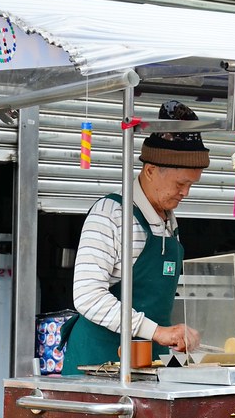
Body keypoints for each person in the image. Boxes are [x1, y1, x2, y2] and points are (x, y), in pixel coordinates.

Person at [61, 100, 205, 374]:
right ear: (150, 171)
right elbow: (88, 296)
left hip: (147, 365)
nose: (186, 192)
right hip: (98, 364)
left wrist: (178, 333)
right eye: (180, 183)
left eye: (191, 184)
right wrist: (157, 332)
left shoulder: (168, 220)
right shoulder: (112, 214)